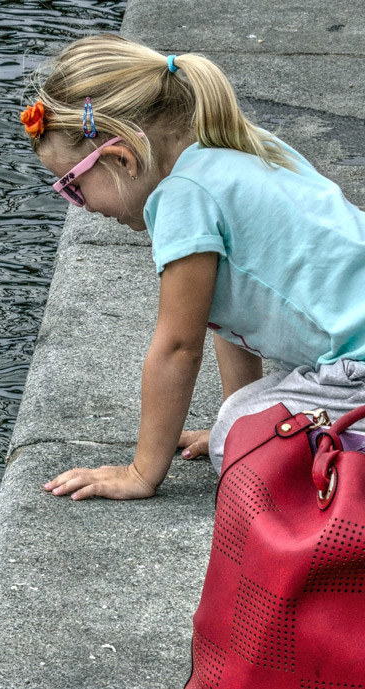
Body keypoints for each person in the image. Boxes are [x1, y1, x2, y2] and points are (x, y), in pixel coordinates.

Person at [23, 32, 365, 500]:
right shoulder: (239, 146)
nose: (77, 205)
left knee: (244, 456)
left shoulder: (183, 198)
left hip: (357, 364)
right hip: (349, 343)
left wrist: (142, 472)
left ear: (121, 158)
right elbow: (228, 316)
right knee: (241, 426)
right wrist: (237, 410)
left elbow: (178, 347)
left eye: (72, 187)